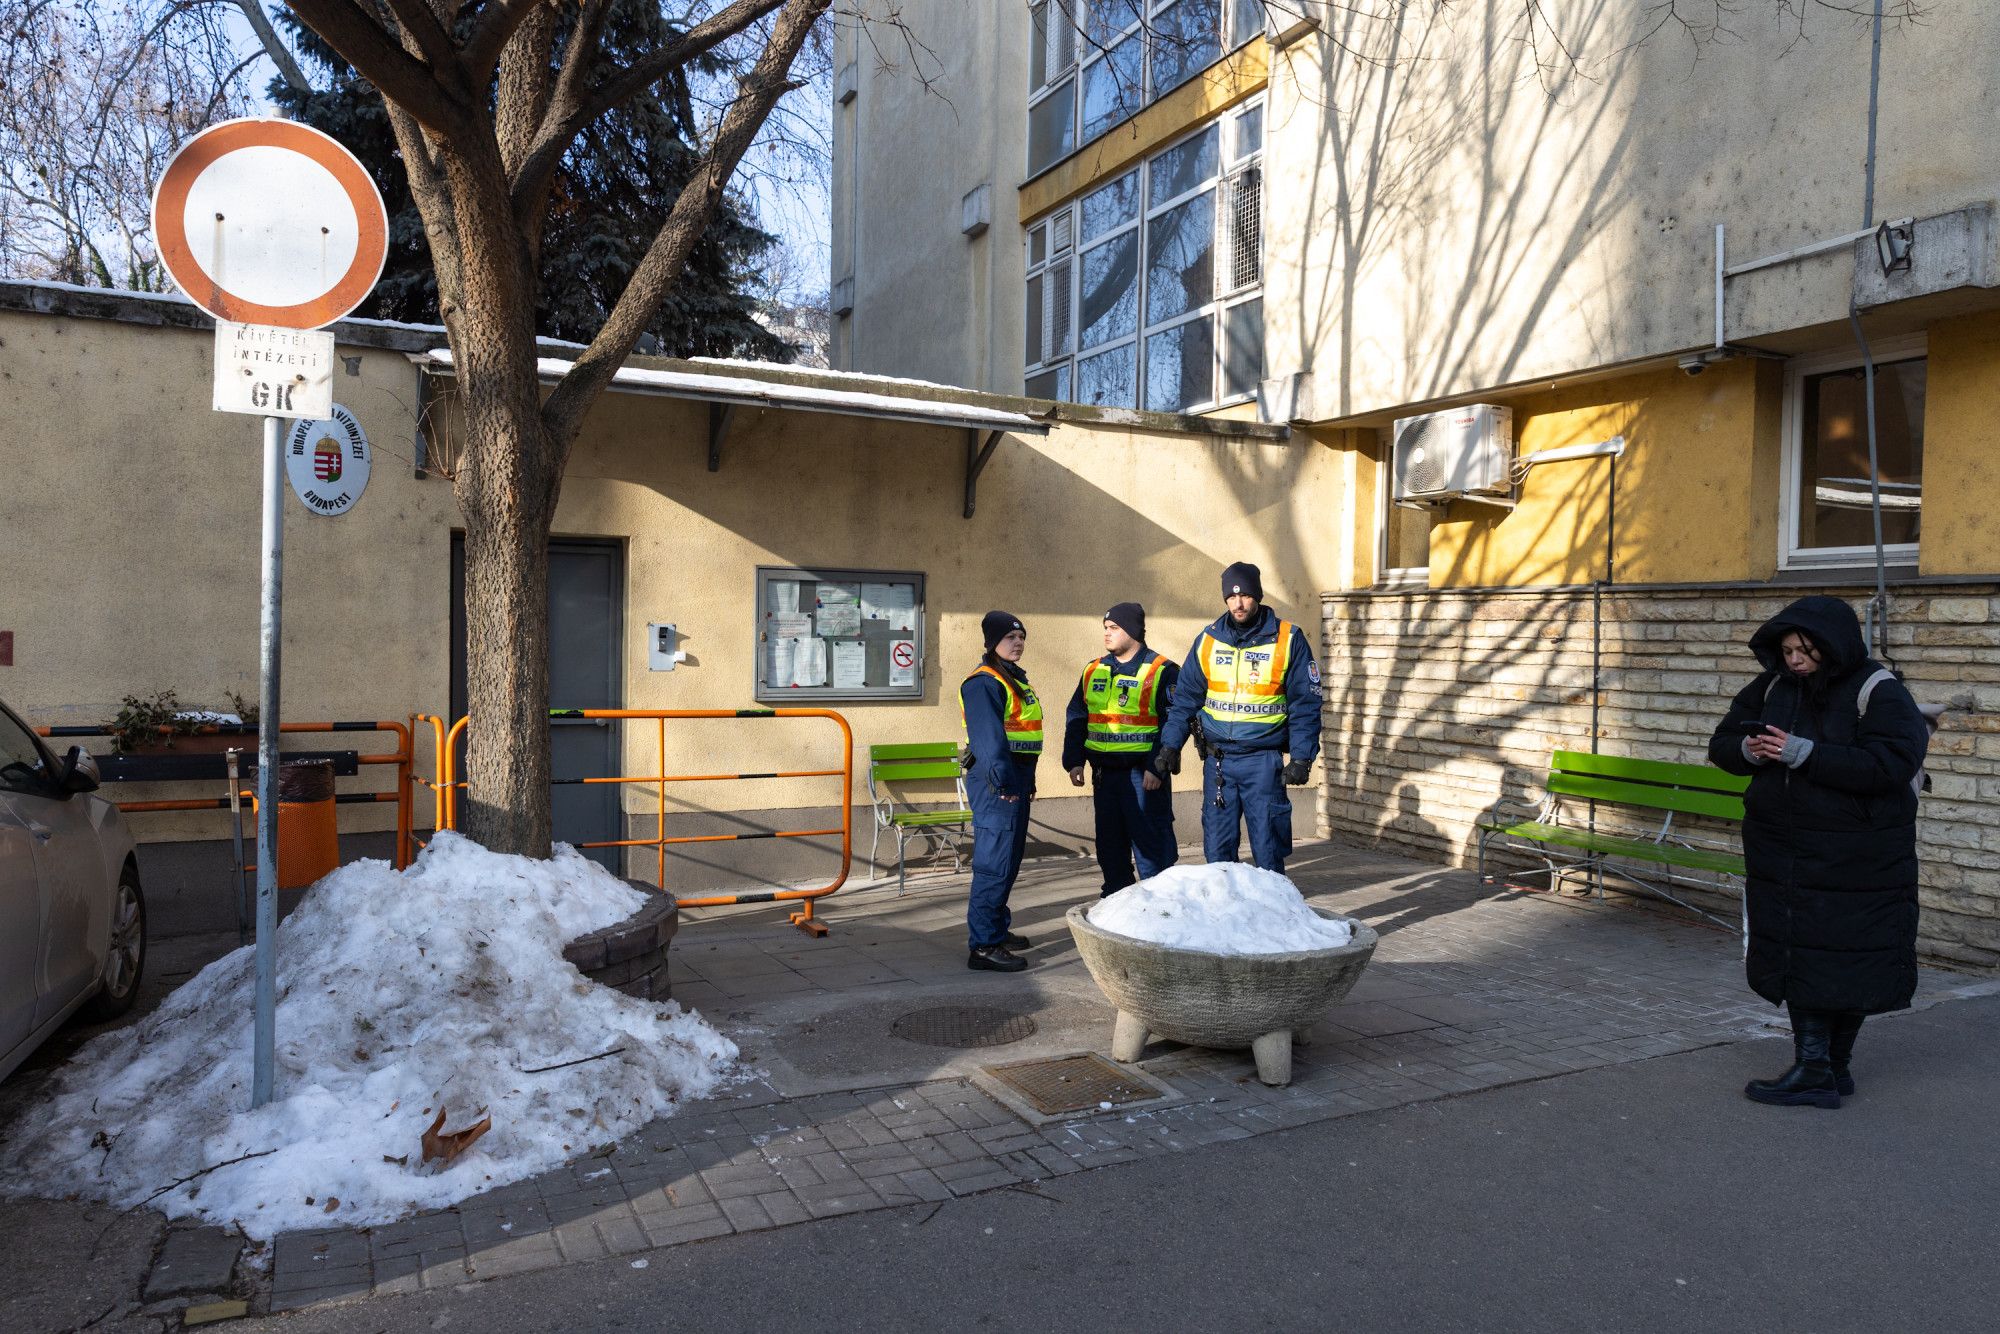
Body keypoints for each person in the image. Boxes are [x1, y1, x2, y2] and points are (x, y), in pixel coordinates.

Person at [1708, 595, 1930, 1109]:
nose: (1795, 660)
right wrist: (1748, 751)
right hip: (1783, 849)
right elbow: (1722, 743)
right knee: (1798, 951)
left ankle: (1827, 1068)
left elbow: (1891, 763)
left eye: (1805, 651)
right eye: (1787, 650)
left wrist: (1802, 753)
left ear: (1834, 646)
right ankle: (1821, 1068)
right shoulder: (1772, 686)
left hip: (1857, 854)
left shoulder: (1878, 688)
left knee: (1849, 957)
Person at [1156, 562, 1322, 874]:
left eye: (1245, 595)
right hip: (1218, 761)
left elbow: (1305, 705)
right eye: (1231, 597)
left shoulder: (1288, 639)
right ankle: (1224, 905)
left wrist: (1302, 757)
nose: (1238, 603)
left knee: (1268, 852)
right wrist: (1170, 746)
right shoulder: (1208, 639)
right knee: (1217, 853)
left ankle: (1272, 904)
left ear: (1257, 596)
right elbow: (1185, 700)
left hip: (1263, 762)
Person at [1062, 602, 1179, 896]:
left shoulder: (1162, 670)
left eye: (1114, 628)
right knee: (1111, 851)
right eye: (1105, 628)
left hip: (1143, 778)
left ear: (1133, 631)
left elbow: (1172, 724)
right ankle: (1116, 909)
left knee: (1153, 854)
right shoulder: (1094, 669)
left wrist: (1156, 767)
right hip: (1104, 778)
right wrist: (1074, 760)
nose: (1107, 633)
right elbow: (1077, 717)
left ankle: (1160, 912)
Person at [959, 611, 1042, 972]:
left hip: (1013, 778)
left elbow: (1023, 737)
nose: (1018, 642)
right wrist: (1003, 780)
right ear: (993, 642)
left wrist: (1027, 780)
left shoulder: (1012, 678)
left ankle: (996, 929)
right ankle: (984, 946)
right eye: (1010, 637)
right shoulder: (983, 682)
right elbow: (989, 739)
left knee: (1008, 859)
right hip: (997, 781)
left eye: (1021, 636)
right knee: (994, 864)